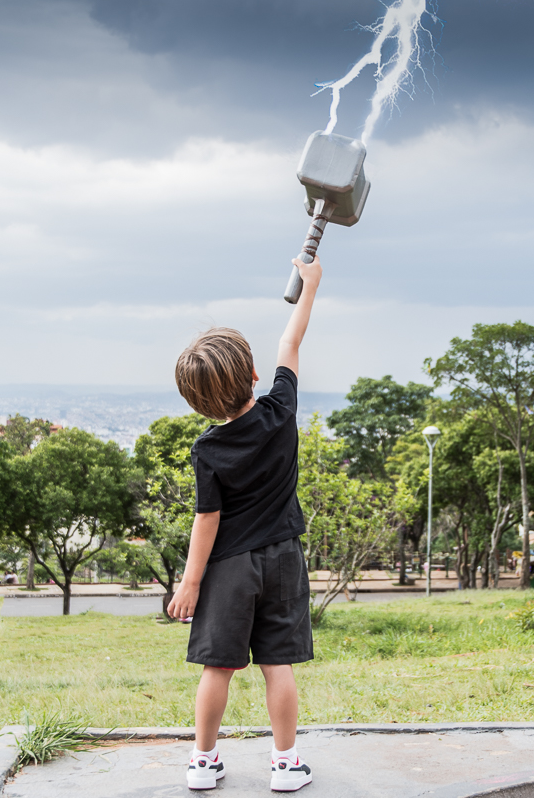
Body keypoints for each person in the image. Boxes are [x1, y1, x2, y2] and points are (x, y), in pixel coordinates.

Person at [166, 254, 322, 793]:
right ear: (254, 375)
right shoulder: (281, 410)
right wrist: (310, 285)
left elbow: (206, 519)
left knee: (219, 668)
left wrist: (190, 583)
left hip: (228, 568)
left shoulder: (207, 449)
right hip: (282, 559)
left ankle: (204, 763)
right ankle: (285, 766)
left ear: (198, 403)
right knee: (278, 665)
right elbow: (291, 344)